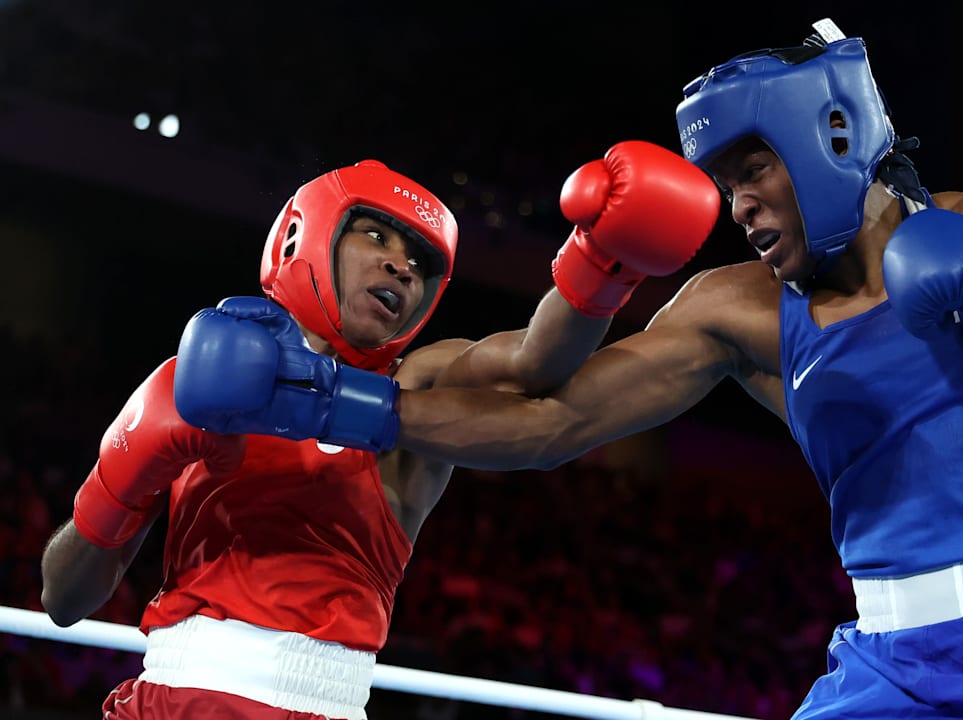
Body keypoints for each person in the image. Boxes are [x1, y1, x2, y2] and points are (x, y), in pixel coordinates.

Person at [174, 18, 963, 720]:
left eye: (751, 169)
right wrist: (338, 402)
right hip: (887, 659)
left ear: (831, 135)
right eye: (723, 181)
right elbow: (548, 421)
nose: (736, 204)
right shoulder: (736, 308)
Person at [39, 144, 721, 719]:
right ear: (308, 237)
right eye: (376, 236)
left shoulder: (417, 385)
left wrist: (600, 259)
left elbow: (533, 364)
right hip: (163, 697)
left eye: (421, 262)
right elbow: (63, 600)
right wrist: (123, 479)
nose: (401, 265)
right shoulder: (196, 381)